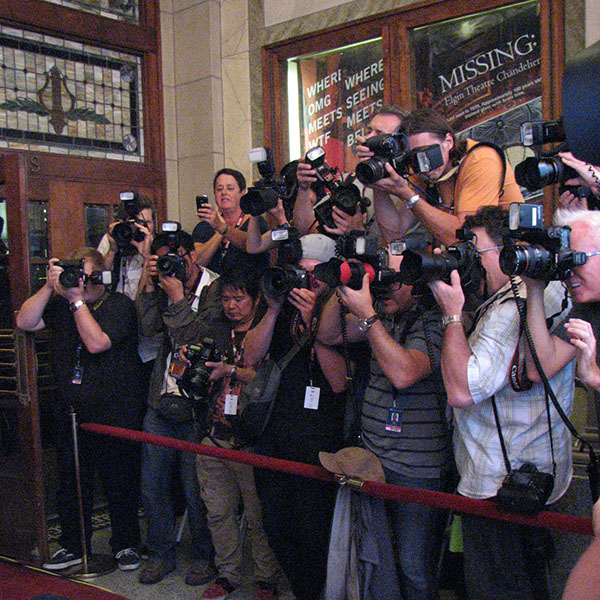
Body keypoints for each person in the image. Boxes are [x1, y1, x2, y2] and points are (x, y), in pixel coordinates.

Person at [428, 206, 574, 600]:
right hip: (532, 479)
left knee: (499, 588)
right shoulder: (535, 291)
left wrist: (452, 316)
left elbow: (463, 391)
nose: (469, 260)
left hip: (500, 489)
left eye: (477, 250)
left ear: (510, 251)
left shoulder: (511, 308)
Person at [318, 250, 454, 599]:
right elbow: (329, 334)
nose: (385, 289)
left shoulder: (434, 322)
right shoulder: (384, 319)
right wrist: (343, 285)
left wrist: (367, 315)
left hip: (417, 470)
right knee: (379, 565)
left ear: (418, 283)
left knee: (414, 569)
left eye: (394, 281)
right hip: (376, 461)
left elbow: (405, 372)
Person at [16, 247, 145, 571]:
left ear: (101, 276)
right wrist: (50, 286)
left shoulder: (120, 305)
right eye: (75, 275)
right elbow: (24, 321)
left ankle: (126, 544)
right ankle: (74, 544)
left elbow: (96, 342)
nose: (79, 283)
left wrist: (75, 301)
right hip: (72, 411)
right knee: (71, 482)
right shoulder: (62, 303)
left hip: (115, 410)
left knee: (120, 482)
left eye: (85, 276)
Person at [243, 234, 349, 600]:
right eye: (298, 273)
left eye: (311, 276)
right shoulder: (279, 301)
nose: (303, 283)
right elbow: (251, 356)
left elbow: (338, 383)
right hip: (273, 435)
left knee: (312, 531)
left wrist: (316, 323)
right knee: (274, 524)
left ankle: (311, 593)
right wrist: (273, 309)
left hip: (318, 442)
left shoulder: (340, 312)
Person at [188, 266, 281, 600]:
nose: (231, 306)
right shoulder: (213, 330)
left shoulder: (268, 331)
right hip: (212, 433)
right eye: (225, 299)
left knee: (257, 517)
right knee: (218, 511)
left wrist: (231, 370)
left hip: (250, 439)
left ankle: (266, 579)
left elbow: (271, 381)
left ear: (255, 299)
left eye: (238, 298)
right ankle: (228, 573)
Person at [135, 230, 217, 585]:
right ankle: (160, 553)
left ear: (192, 255)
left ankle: (204, 556)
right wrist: (152, 284)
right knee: (152, 484)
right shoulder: (163, 284)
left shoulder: (216, 291)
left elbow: (200, 340)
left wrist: (178, 297)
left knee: (194, 487)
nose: (172, 264)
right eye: (163, 258)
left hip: (198, 405)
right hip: (161, 400)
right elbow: (149, 328)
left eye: (176, 256)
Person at [367, 107, 524, 246]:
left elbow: (468, 239)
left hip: (507, 258)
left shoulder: (480, 160)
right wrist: (378, 183)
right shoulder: (423, 169)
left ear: (448, 141)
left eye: (427, 153)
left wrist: (409, 195)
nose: (423, 164)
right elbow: (394, 233)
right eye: (415, 157)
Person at [294, 105, 407, 239]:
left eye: (379, 134)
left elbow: (399, 247)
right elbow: (305, 231)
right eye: (369, 131)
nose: (367, 139)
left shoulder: (409, 190)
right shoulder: (350, 182)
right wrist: (303, 188)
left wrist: (358, 232)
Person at [523, 208, 600, 397]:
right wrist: (534, 288)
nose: (569, 272)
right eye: (564, 263)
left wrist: (595, 376)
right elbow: (541, 368)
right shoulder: (589, 308)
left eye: (576, 259)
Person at [97, 194, 158, 396]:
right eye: (136, 223)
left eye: (147, 222)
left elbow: (146, 300)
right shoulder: (113, 240)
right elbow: (97, 280)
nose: (142, 228)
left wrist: (146, 255)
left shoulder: (157, 248)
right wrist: (113, 250)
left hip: (146, 346)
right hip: (115, 341)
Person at [193, 168, 269, 274]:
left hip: (247, 286)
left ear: (242, 193)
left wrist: (222, 227)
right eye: (219, 189)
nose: (224, 193)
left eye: (230, 189)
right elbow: (198, 261)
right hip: (213, 287)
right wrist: (219, 231)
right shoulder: (205, 226)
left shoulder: (254, 221)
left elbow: (250, 245)